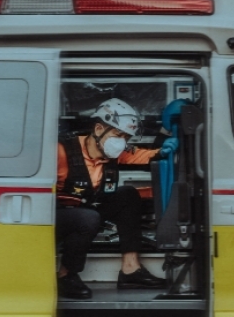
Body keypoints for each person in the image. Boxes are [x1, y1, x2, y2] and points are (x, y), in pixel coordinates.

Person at [56, 98, 178, 299]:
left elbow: (141, 155)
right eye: (117, 135)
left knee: (127, 195)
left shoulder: (115, 153)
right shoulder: (62, 152)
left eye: (126, 137)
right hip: (57, 217)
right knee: (88, 217)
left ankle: (131, 270)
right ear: (98, 129)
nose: (121, 141)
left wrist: (163, 149)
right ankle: (66, 275)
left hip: (87, 209)